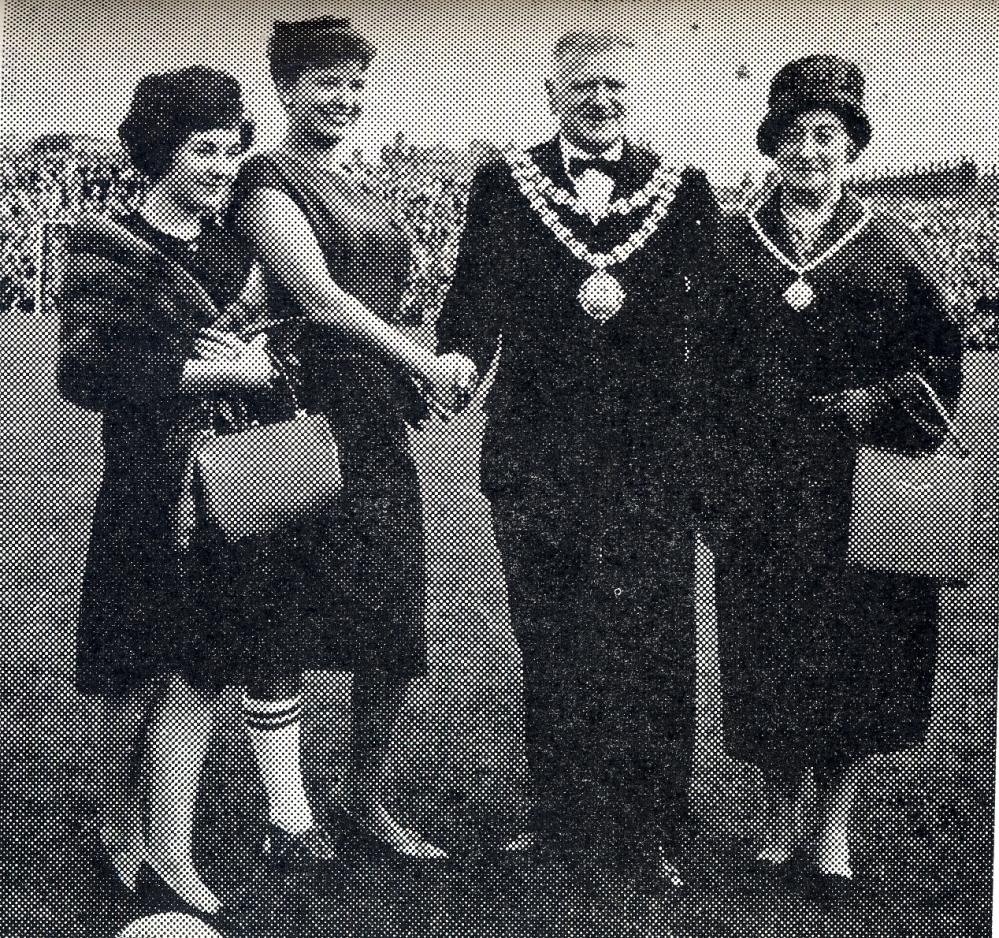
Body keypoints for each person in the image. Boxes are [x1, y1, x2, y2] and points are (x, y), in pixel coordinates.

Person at [59, 66, 345, 931]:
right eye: (202, 150)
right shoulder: (100, 241)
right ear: (159, 151)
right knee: (125, 674)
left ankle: (174, 847)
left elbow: (281, 359)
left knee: (201, 672)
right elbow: (87, 370)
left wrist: (261, 362)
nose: (223, 167)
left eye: (231, 149)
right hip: (146, 493)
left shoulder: (234, 254)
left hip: (236, 488)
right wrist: (224, 364)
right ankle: (118, 829)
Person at [435, 29, 721, 889]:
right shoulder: (502, 183)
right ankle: (561, 818)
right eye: (581, 86)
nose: (599, 100)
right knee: (551, 639)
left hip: (649, 461)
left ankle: (653, 827)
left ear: (634, 95)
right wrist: (454, 363)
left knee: (651, 641)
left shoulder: (685, 189)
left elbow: (708, 328)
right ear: (551, 93)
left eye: (614, 86)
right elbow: (471, 299)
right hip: (533, 456)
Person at [695, 56, 963, 896]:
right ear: (772, 146)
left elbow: (941, 355)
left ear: (850, 148)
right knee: (767, 647)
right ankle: (779, 823)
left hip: (860, 483)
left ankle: (834, 831)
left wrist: (876, 399)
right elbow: (696, 367)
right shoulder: (732, 246)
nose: (810, 152)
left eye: (828, 136)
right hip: (760, 483)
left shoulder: (892, 247)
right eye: (795, 136)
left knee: (856, 654)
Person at [228, 17, 468, 861]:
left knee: (397, 629)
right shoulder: (264, 176)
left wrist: (405, 371)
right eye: (328, 82)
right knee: (284, 620)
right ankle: (288, 818)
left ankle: (365, 800)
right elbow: (318, 298)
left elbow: (381, 294)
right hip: (297, 410)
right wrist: (423, 363)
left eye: (358, 84)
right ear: (286, 88)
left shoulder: (358, 176)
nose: (346, 99)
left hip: (369, 414)